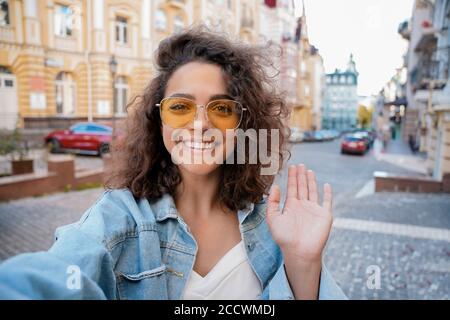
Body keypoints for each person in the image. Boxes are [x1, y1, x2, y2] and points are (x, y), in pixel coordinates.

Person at [0, 27, 346, 300]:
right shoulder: (119, 219)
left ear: (243, 124)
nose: (199, 124)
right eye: (180, 107)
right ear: (158, 120)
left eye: (221, 108)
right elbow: (58, 274)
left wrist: (303, 262)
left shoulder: (271, 226)